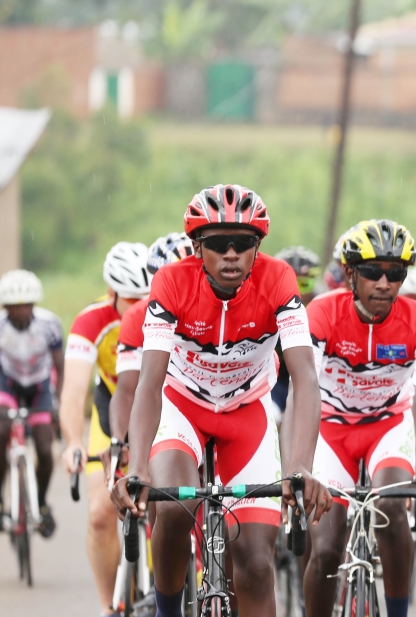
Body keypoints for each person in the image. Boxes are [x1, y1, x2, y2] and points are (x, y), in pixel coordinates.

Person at [110, 184, 333, 617]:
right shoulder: (172, 282)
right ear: (197, 247)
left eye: (243, 243)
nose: (231, 254)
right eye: (217, 244)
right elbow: (150, 382)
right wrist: (136, 467)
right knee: (174, 509)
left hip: (247, 413)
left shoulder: (278, 279)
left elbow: (305, 377)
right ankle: (167, 611)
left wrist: (300, 466)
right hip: (182, 409)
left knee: (254, 566)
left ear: (258, 247)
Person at [302, 219, 416, 617]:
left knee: (391, 509)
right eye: (371, 272)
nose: (384, 283)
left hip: (388, 426)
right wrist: (299, 464)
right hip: (330, 431)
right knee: (327, 546)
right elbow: (305, 391)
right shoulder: (322, 313)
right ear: (350, 273)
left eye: (395, 273)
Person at [59, 241, 151, 616]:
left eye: (147, 296)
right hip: (111, 406)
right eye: (131, 299)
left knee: (168, 504)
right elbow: (73, 392)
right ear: (112, 293)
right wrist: (71, 442)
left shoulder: (165, 311)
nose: (140, 307)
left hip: (158, 406)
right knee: (99, 512)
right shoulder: (91, 321)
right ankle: (108, 606)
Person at [110, 232, 195, 449]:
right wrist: (119, 442)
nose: (177, 289)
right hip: (165, 407)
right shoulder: (136, 316)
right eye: (166, 281)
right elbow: (128, 391)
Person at [0, 269, 64, 535]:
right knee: (0, 431)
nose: (22, 311)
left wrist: (57, 403)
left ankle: (41, 502)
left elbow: (60, 364)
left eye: (27, 304)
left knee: (46, 449)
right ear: (6, 307)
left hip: (39, 386)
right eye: (15, 306)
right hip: (8, 384)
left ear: (34, 303)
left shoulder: (49, 324)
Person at [272, 245, 323, 417]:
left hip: (314, 381)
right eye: (289, 282)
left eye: (304, 284)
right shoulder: (267, 303)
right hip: (275, 382)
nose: (296, 291)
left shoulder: (322, 310)